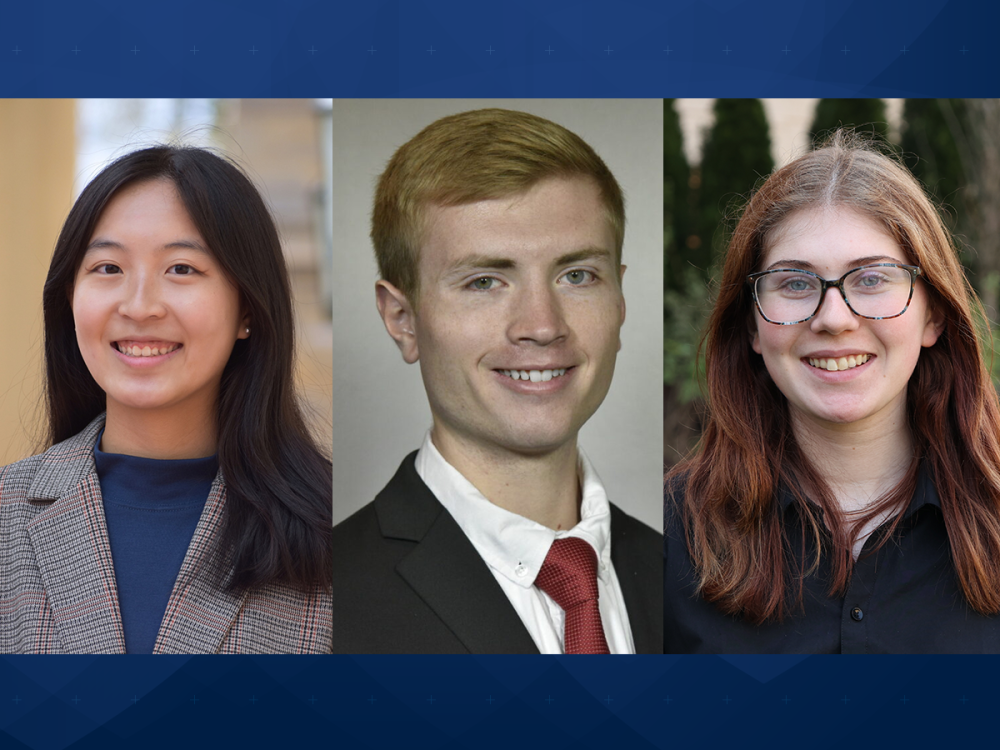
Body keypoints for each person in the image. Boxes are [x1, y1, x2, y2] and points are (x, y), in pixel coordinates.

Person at [331, 108, 662, 654]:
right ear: (402, 318)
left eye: (577, 276)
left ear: (620, 300)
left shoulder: (684, 579)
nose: (541, 325)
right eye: (485, 281)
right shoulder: (324, 601)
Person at [664, 130, 1000, 654]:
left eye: (871, 279)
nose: (834, 319)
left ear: (933, 313)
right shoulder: (663, 543)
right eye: (795, 283)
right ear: (752, 325)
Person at [0, 146, 332, 654]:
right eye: (108, 268)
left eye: (180, 269)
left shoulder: (341, 535)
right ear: (69, 298)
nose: (139, 307)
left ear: (248, 308)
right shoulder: (8, 514)